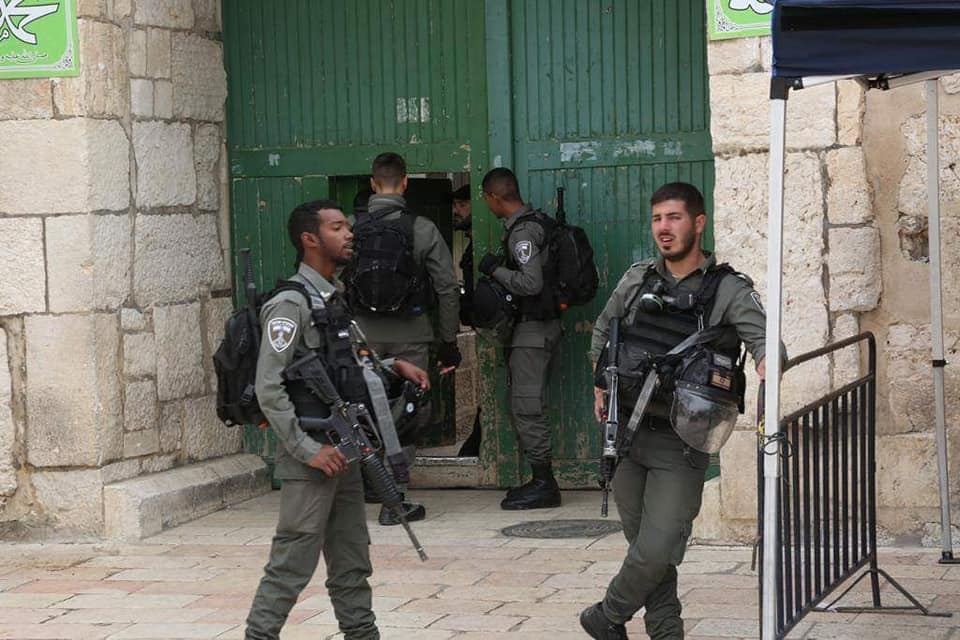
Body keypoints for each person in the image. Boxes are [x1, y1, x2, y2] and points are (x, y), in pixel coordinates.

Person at [580, 182, 767, 640]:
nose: (663, 228)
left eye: (674, 218)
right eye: (657, 219)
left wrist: (768, 359)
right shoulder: (637, 279)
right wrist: (600, 382)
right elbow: (604, 329)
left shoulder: (728, 289)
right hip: (625, 434)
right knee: (646, 549)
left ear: (698, 223)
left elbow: (765, 339)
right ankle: (667, 633)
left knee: (657, 548)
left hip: (681, 441)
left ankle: (605, 616)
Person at [245, 199, 429, 640]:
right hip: (311, 456)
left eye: (348, 226)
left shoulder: (333, 297)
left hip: (346, 451)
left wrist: (393, 367)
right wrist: (308, 450)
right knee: (292, 561)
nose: (350, 234)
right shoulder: (289, 305)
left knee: (352, 559)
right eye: (337, 227)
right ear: (310, 239)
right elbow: (269, 387)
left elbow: (344, 368)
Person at [348, 152, 462, 525]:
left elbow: (333, 283)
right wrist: (448, 340)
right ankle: (393, 497)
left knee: (362, 406)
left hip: (362, 335)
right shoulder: (422, 229)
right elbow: (447, 287)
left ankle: (368, 479)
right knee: (406, 411)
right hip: (412, 334)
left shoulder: (350, 227)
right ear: (406, 182)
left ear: (372, 183)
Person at [478, 167, 563, 510]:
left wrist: (493, 269)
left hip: (533, 329)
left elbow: (531, 283)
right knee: (526, 403)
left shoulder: (523, 232)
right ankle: (540, 479)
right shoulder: (535, 223)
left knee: (526, 406)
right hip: (537, 328)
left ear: (494, 197)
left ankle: (545, 483)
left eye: (486, 199)